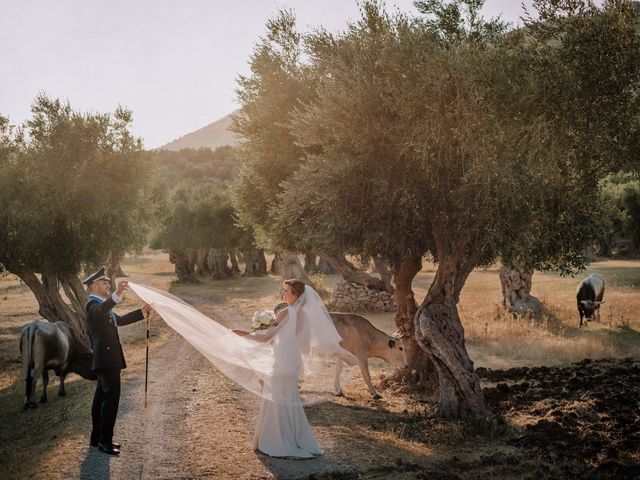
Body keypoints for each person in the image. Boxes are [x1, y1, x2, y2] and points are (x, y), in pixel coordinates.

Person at [234, 279, 357, 458]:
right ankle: (293, 439)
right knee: (287, 399)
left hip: (281, 361)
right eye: (282, 290)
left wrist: (242, 334)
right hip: (292, 362)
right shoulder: (305, 316)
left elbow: (265, 338)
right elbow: (305, 346)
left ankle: (276, 441)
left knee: (277, 398)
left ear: (295, 295)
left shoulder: (285, 312)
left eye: (286, 291)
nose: (282, 294)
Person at [83, 266, 152, 456]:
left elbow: (119, 320)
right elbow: (100, 311)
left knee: (100, 400)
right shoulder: (93, 305)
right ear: (92, 287)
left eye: (107, 282)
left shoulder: (103, 305)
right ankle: (105, 442)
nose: (107, 284)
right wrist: (118, 293)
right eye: (102, 282)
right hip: (106, 359)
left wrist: (141, 311)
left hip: (107, 359)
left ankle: (96, 439)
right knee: (110, 400)